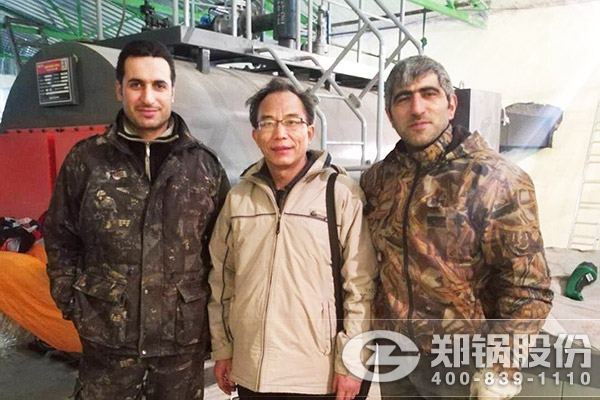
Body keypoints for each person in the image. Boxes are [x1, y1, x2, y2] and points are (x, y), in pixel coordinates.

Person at [44, 39, 230, 400]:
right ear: (119, 89)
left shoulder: (203, 166)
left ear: (173, 91)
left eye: (158, 85)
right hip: (107, 345)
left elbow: (223, 253)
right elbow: (60, 237)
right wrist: (73, 302)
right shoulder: (86, 161)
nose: (148, 97)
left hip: (180, 348)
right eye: (136, 84)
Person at [360, 55, 553, 400]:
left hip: (463, 365)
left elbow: (528, 287)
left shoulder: (496, 180)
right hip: (395, 357)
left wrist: (503, 365)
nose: (417, 108)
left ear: (451, 105)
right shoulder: (378, 180)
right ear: (389, 114)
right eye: (403, 98)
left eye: (428, 94)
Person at [207, 78, 377, 400]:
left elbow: (361, 285)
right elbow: (222, 281)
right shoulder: (239, 199)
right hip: (253, 371)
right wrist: (223, 348)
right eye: (268, 123)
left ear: (309, 132)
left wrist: (352, 361)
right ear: (255, 135)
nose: (280, 134)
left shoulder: (340, 194)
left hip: (319, 375)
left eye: (292, 122)